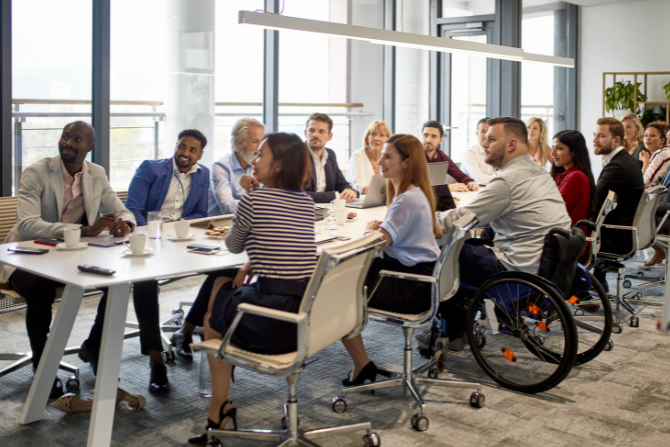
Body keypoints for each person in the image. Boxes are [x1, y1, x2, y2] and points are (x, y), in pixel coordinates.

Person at [189, 133, 316, 444]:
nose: (253, 161)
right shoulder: (306, 201)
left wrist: (252, 193)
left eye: (261, 156)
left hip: (273, 321)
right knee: (221, 284)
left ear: (279, 165)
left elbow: (233, 246)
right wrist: (251, 264)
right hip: (304, 317)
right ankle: (220, 406)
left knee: (213, 312)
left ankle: (217, 406)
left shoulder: (254, 199)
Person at [1, 121, 139, 404]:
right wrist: (79, 231)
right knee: (40, 291)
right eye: (65, 137)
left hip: (70, 257)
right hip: (27, 254)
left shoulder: (95, 174)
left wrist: (124, 224)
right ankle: (43, 368)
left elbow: (122, 210)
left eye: (77, 139)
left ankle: (93, 347)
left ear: (89, 147)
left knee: (117, 284)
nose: (68, 143)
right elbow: (27, 226)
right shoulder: (37, 172)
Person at [417, 117, 571, 353]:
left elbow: (463, 218)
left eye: (491, 139)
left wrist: (420, 220)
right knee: (466, 246)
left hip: (518, 266)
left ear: (510, 145)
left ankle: (451, 332)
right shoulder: (538, 172)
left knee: (445, 254)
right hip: (545, 261)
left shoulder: (507, 181)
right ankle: (460, 327)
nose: (484, 145)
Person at [338, 134, 442, 386]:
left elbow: (374, 246)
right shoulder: (416, 194)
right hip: (419, 278)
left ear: (406, 162)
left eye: (387, 156)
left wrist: (370, 231)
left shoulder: (406, 199)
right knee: (344, 275)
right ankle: (361, 364)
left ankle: (361, 365)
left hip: (408, 285)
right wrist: (381, 227)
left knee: (337, 292)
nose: (380, 161)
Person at [124, 129, 211, 393]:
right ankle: (155, 360)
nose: (185, 153)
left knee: (223, 271)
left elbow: (200, 213)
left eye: (192, 150)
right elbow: (133, 209)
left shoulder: (203, 174)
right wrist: (154, 234)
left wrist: (179, 231)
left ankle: (185, 330)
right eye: (181, 147)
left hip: (180, 242)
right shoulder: (151, 168)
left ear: (200, 154)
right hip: (149, 239)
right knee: (145, 284)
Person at [592, 117, 644, 290]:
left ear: (616, 140)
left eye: (601, 136)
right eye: (595, 135)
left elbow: (595, 201)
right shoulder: (626, 160)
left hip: (615, 236)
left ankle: (573, 289)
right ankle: (597, 278)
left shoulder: (617, 167)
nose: (594, 140)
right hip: (623, 230)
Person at [208, 118, 265, 216]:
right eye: (255, 141)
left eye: (262, 141)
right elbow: (227, 206)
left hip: (249, 222)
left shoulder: (261, 165)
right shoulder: (220, 166)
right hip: (220, 226)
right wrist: (258, 204)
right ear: (240, 143)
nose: (260, 147)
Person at [303, 113, 358, 203]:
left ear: (330, 136)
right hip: (303, 210)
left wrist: (349, 191)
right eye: (311, 130)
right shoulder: (295, 155)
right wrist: (335, 196)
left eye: (321, 131)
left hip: (327, 211)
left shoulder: (330, 155)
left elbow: (342, 184)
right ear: (305, 133)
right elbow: (297, 194)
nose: (315, 135)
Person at [550, 130, 597, 227]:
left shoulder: (576, 177)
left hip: (567, 238)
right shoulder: (567, 175)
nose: (553, 153)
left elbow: (553, 211)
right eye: (552, 148)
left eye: (559, 148)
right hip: (563, 234)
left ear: (574, 151)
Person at [421, 120, 479, 192]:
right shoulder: (413, 155)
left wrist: (470, 182)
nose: (428, 140)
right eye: (425, 135)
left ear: (440, 140)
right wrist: (446, 188)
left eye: (434, 136)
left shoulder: (441, 156)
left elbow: (459, 175)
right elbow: (415, 186)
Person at [346, 120, 391, 194]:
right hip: (360, 199)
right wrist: (381, 193)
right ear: (367, 138)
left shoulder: (388, 158)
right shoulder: (358, 155)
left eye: (382, 135)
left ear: (387, 140)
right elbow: (360, 185)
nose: (377, 138)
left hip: (382, 200)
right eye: (373, 134)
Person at [462, 117, 496, 185]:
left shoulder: (493, 151)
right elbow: (479, 179)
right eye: (483, 131)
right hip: (470, 193)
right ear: (477, 134)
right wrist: (499, 177)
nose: (486, 135)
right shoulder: (470, 153)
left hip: (488, 189)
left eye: (489, 131)